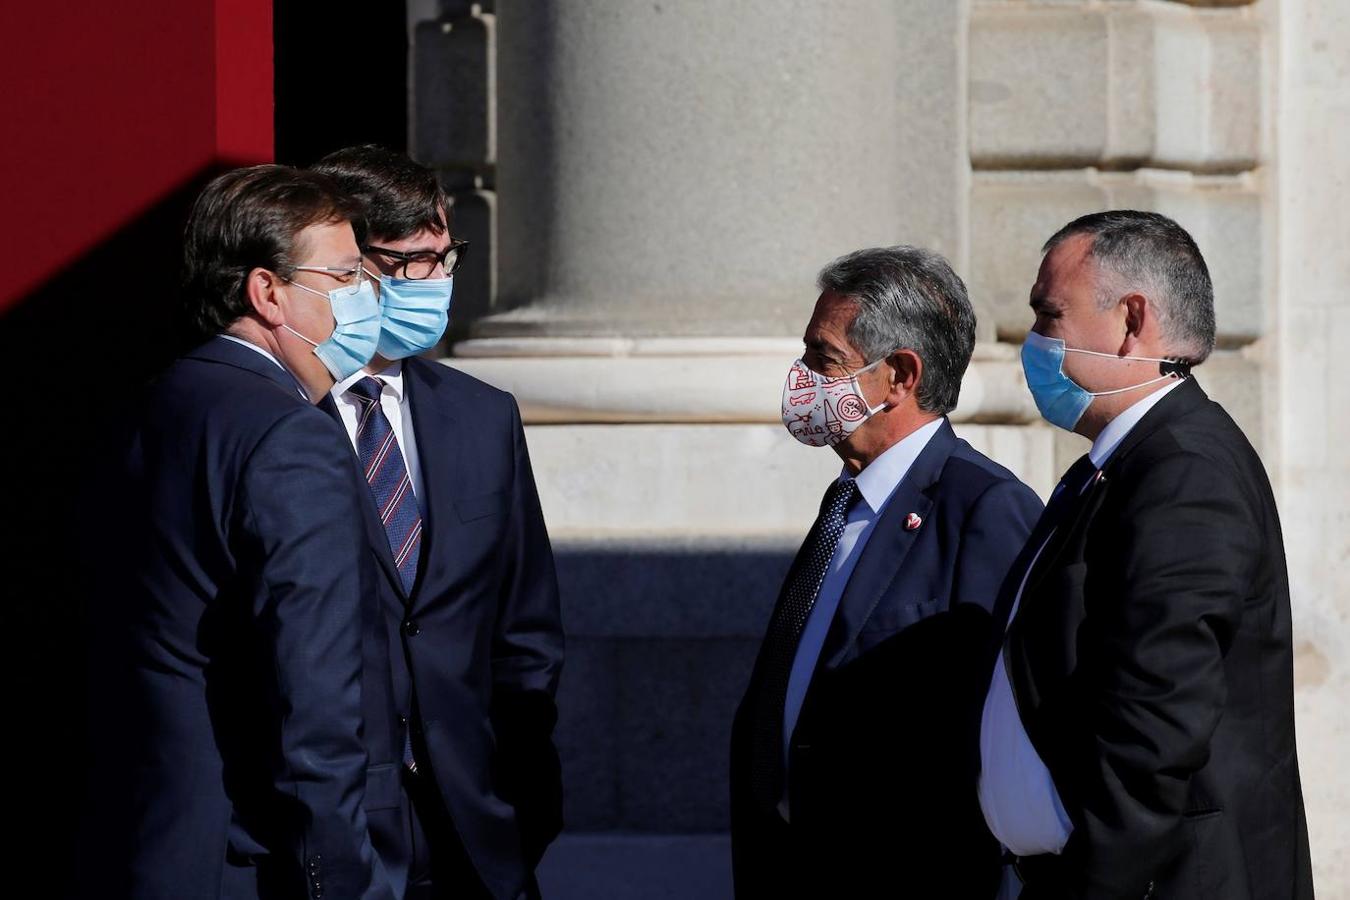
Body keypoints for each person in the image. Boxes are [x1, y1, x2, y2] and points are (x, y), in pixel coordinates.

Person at [78, 165, 403, 899]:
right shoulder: (290, 435)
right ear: (268, 292)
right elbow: (314, 686)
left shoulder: (154, 404)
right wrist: (339, 875)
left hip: (144, 833)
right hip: (248, 858)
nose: (368, 299)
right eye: (347, 276)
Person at [979, 210, 1314, 899]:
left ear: (1132, 320)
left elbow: (1158, 718)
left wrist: (1095, 882)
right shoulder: (1122, 463)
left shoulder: (1185, 468)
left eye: (1051, 316)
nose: (1035, 341)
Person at [730, 245, 1044, 897]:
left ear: (900, 375)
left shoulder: (983, 508)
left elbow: (1008, 732)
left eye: (826, 360)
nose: (804, 378)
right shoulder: (847, 497)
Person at [312, 146, 564, 900]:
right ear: (351, 268)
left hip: (476, 824)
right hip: (341, 824)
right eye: (414, 261)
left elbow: (526, 623)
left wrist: (523, 798)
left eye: (444, 255)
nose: (438, 280)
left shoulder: (482, 415)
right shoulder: (281, 414)